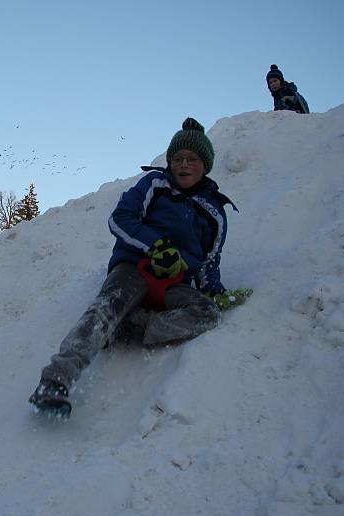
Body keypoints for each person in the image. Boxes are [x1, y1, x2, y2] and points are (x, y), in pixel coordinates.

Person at [29, 118, 237, 417]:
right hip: (136, 267)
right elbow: (120, 218)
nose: (183, 164)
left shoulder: (214, 211)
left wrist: (215, 291)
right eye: (177, 158)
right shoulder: (155, 185)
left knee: (207, 314)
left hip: (173, 283)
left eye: (192, 159)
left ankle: (134, 326)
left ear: (205, 165)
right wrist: (156, 247)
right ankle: (55, 381)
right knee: (104, 309)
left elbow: (209, 260)